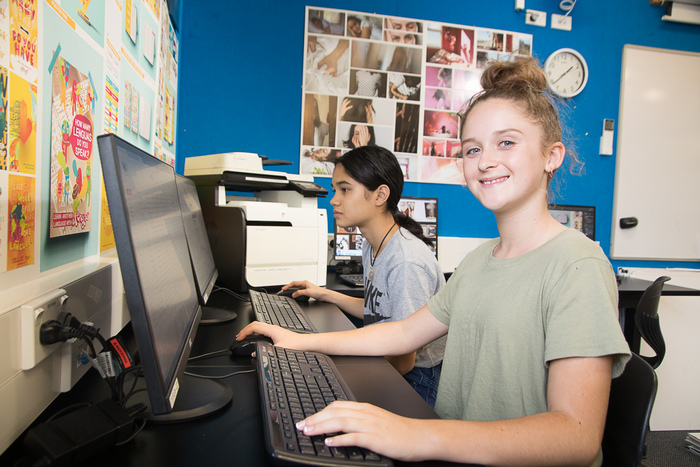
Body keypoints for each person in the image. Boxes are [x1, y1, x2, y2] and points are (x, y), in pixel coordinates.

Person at [238, 56, 630, 466]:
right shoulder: (481, 260)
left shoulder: (576, 265)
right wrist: (299, 341)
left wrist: (418, 433)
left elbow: (577, 436)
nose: (486, 160)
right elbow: (403, 332)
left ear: (552, 156)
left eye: (507, 142)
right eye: (472, 149)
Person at [276, 145, 446, 407]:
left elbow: (405, 359)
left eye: (345, 189)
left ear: (380, 195)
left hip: (417, 378)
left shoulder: (406, 261)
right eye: (335, 190)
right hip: (392, 359)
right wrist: (324, 293)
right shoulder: (373, 243)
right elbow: (377, 309)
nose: (334, 199)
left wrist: (340, 374)